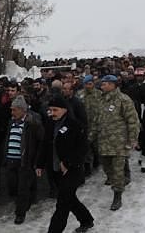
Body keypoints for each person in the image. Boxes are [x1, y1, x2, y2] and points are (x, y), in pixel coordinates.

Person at [37, 94, 94, 233]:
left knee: (62, 204)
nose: (52, 113)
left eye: (55, 110)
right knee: (69, 199)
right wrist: (39, 164)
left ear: (65, 110)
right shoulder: (50, 124)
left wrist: (68, 163)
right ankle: (87, 220)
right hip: (55, 170)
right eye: (50, 110)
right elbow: (45, 145)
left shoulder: (75, 126)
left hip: (72, 171)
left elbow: (82, 149)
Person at [88, 75, 139, 211]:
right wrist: (90, 137)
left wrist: (132, 138)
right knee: (106, 167)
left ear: (112, 85)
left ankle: (117, 196)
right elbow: (96, 121)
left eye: (104, 84)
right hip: (104, 141)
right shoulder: (101, 99)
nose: (102, 86)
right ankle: (124, 176)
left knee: (117, 170)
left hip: (119, 142)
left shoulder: (123, 99)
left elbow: (133, 121)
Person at [3, 95, 44, 224]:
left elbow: (40, 143)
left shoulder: (32, 124)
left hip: (24, 162)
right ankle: (28, 197)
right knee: (13, 186)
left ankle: (20, 213)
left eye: (14, 110)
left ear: (22, 110)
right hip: (11, 160)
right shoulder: (11, 122)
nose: (12, 112)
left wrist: (37, 162)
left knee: (22, 188)